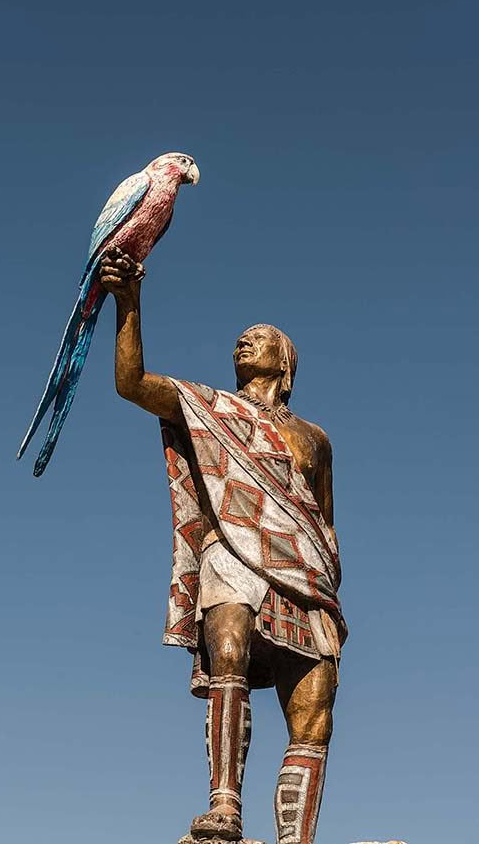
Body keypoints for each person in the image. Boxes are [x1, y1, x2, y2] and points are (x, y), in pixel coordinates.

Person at [99, 247, 347, 844]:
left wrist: (334, 596)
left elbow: (325, 521)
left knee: (315, 706)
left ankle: (296, 838)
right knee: (228, 653)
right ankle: (225, 807)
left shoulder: (314, 438)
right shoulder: (212, 409)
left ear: (284, 363)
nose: (244, 343)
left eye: (258, 339)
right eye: (240, 338)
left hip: (306, 572)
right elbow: (130, 383)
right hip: (230, 551)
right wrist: (128, 303)